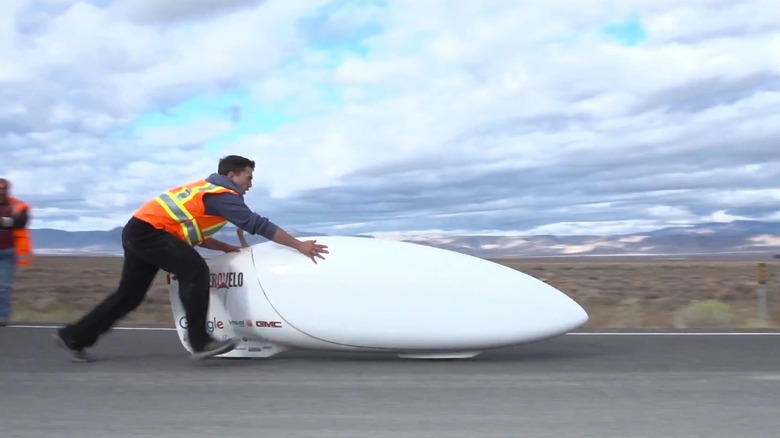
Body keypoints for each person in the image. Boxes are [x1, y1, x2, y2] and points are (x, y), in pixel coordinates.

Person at [54, 155, 329, 362]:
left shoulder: (205, 191)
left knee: (129, 296)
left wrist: (225, 247)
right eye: (248, 178)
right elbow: (257, 224)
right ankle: (200, 341)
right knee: (195, 271)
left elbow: (191, 235)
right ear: (232, 175)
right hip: (150, 233)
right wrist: (299, 245)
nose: (250, 185)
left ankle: (74, 337)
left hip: (139, 230)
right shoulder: (222, 196)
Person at [0, 178, 33, 327]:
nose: (1, 192)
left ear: (8, 190)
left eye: (3, 189)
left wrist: (4, 221)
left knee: (4, 286)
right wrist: (8, 222)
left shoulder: (18, 206)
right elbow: (14, 222)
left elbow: (21, 221)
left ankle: (2, 316)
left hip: (8, 253)